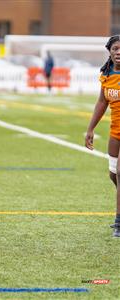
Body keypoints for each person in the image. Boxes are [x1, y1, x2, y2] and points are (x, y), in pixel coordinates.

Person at [85, 35, 120, 238]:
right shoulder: (107, 74)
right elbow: (101, 102)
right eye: (115, 48)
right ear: (110, 51)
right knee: (113, 175)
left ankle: (118, 223)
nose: (119, 52)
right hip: (115, 132)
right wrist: (90, 129)